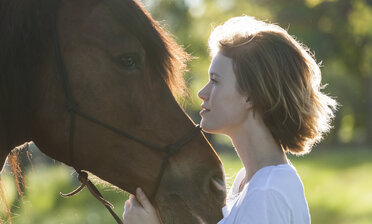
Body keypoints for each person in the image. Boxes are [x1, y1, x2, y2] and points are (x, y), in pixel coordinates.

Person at [122, 15, 337, 224]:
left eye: (215, 81)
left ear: (251, 96)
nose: (202, 93)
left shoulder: (266, 192)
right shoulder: (247, 183)